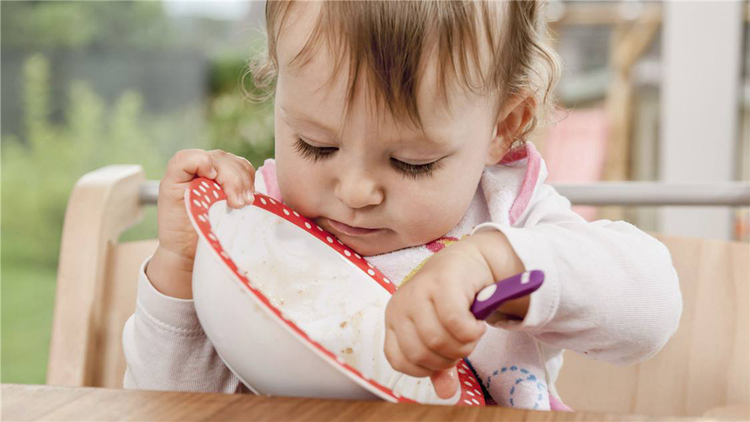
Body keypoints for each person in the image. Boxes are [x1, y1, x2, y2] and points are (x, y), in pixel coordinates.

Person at [123, 1, 682, 410]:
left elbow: (652, 307)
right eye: (315, 145)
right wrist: (183, 270)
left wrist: (495, 262)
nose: (356, 192)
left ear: (502, 125)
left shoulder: (505, 215)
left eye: (412, 161)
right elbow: (166, 405)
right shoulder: (257, 224)